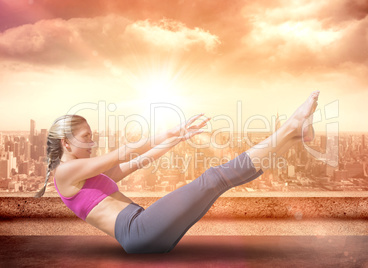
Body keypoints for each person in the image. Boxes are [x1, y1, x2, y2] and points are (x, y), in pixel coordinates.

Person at [34, 90, 320, 254]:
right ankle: (291, 128)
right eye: (86, 137)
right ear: (66, 142)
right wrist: (164, 133)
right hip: (138, 230)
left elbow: (138, 161)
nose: (92, 143)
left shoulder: (83, 178)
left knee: (217, 184)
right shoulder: (67, 172)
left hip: (142, 230)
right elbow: (122, 153)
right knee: (213, 179)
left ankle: (293, 136)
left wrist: (178, 137)